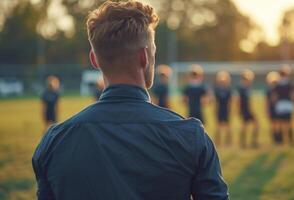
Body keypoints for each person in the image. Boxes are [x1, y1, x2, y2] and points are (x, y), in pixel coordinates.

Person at [32, 1, 228, 200]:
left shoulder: (54, 141)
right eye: (153, 51)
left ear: (94, 59)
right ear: (145, 57)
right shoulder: (190, 137)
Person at [272, 65, 294, 145]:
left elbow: (274, 97)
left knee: (280, 123)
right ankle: (290, 140)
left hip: (280, 105)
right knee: (289, 123)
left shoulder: (277, 84)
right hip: (288, 104)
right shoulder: (290, 83)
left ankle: (280, 140)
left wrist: (275, 104)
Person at [237, 69, 259, 148]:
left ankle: (248, 142)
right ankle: (246, 142)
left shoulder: (246, 87)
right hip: (245, 110)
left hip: (247, 109)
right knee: (248, 125)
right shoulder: (242, 88)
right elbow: (239, 100)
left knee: (254, 124)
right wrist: (239, 110)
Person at [214, 71, 232, 147]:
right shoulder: (220, 90)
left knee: (225, 126)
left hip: (223, 110)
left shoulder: (226, 90)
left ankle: (226, 141)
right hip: (222, 109)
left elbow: (230, 102)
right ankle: (220, 141)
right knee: (220, 126)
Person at [265, 71, 280, 144]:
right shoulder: (270, 90)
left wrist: (266, 110)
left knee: (276, 124)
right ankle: (276, 139)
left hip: (276, 109)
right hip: (274, 109)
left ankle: (277, 139)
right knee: (275, 124)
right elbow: (267, 102)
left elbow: (266, 102)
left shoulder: (273, 89)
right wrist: (266, 110)